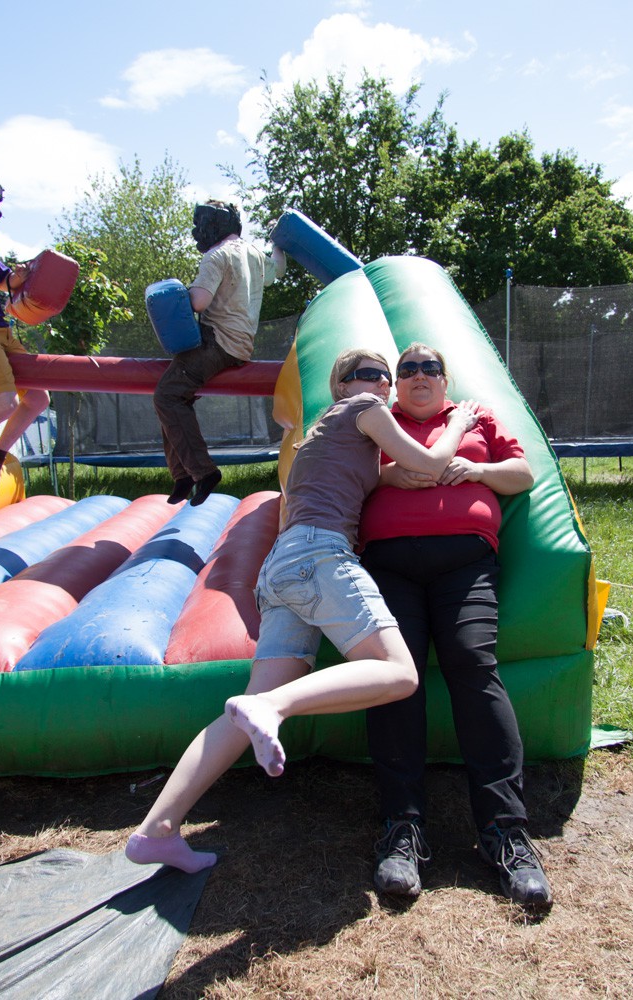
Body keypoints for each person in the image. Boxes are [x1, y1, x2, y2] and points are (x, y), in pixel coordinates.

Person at [125, 348, 479, 873]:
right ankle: (276, 708)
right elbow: (430, 462)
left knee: (243, 707)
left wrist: (388, 478)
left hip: (282, 566)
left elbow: (353, 481)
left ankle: (156, 829)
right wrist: (460, 424)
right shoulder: (365, 409)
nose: (381, 383)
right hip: (319, 556)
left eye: (384, 376)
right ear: (343, 386)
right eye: (366, 374)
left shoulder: (329, 434)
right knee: (400, 673)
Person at [359, 342, 553, 909]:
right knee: (395, 676)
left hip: (465, 563)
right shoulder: (375, 419)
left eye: (430, 368)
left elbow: (523, 474)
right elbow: (336, 476)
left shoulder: (475, 417)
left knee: (471, 660)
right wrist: (388, 478)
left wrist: (479, 469)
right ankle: (403, 828)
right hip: (389, 564)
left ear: (445, 380)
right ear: (396, 383)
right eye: (408, 369)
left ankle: (505, 831)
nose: (419, 376)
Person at [153, 199, 286, 507]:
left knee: (167, 397)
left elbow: (199, 301)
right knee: (176, 397)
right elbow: (277, 270)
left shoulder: (216, 256)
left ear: (211, 226)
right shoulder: (253, 253)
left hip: (215, 341)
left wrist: (178, 294)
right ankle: (182, 475)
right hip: (241, 345)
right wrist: (280, 242)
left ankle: (202, 472)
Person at [0, 175, 49, 496]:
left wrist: (20, 275)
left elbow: (5, 282)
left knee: (38, 398)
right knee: (4, 403)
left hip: (1, 328)